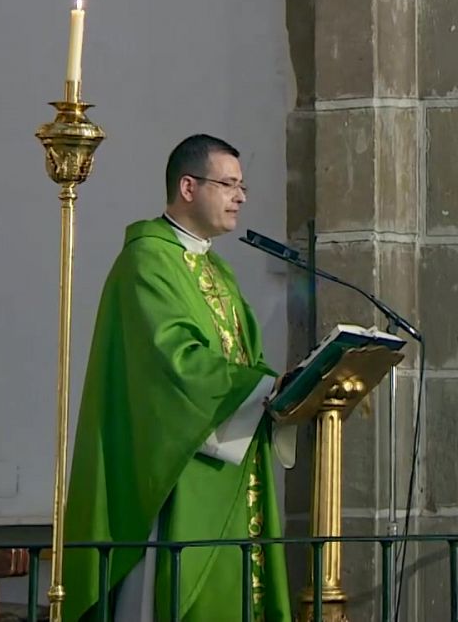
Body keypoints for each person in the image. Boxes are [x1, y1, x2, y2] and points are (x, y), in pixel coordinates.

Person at [62, 134, 294, 621]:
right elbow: (172, 361)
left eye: (242, 185)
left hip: (228, 463)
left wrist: (273, 387)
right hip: (177, 468)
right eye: (228, 184)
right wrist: (260, 386)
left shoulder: (216, 270)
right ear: (188, 187)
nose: (241, 196)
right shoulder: (148, 260)